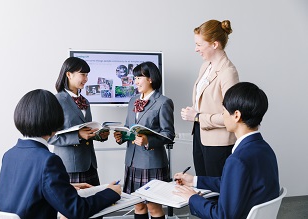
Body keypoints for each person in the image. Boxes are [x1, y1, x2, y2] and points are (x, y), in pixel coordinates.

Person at [0, 89, 121, 219]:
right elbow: (77, 210)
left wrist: (63, 187)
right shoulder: (48, 161)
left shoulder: (9, 155)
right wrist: (110, 193)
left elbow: (25, 190)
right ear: (55, 119)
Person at [174, 82, 280, 219]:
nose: (222, 115)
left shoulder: (237, 160)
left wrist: (193, 198)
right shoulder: (265, 149)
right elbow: (233, 184)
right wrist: (194, 181)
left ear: (236, 115)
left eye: (223, 111)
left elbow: (222, 216)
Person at [114, 62, 175, 219]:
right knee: (138, 205)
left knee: (153, 208)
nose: (136, 81)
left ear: (151, 79)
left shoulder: (163, 102)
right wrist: (121, 136)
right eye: (135, 77)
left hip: (152, 163)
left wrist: (148, 140)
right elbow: (129, 127)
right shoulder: (133, 100)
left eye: (139, 77)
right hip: (132, 161)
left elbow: (169, 134)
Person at [181, 19, 239, 177]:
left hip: (218, 143)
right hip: (200, 136)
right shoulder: (205, 66)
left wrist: (198, 116)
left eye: (199, 45)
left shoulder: (228, 72)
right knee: (204, 186)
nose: (195, 49)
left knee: (216, 190)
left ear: (215, 44)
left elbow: (232, 116)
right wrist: (196, 112)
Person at [48, 57, 109, 186]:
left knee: (95, 204)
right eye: (83, 74)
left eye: (87, 75)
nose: (86, 79)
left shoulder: (85, 101)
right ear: (69, 74)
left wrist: (99, 135)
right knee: (74, 205)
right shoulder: (56, 100)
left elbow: (87, 130)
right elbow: (49, 137)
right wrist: (78, 136)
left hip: (90, 164)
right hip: (69, 166)